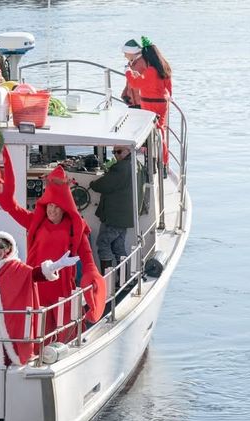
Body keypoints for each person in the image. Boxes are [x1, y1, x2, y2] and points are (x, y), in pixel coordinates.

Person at [0, 140, 107, 339]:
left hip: (63, 290)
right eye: (49, 206)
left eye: (56, 207)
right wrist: (3, 195)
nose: (52, 211)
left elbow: (88, 261)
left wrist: (92, 278)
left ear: (65, 208)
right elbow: (12, 208)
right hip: (36, 285)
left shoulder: (76, 228)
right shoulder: (35, 222)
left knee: (66, 334)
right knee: (35, 331)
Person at [0, 231, 79, 366]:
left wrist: (55, 265)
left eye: (1, 247)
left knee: (10, 355)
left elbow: (33, 274)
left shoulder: (15, 267)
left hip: (11, 325)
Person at [89, 146, 142, 273]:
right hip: (126, 216)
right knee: (118, 247)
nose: (116, 155)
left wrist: (92, 184)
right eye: (114, 152)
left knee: (103, 244)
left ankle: (106, 280)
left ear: (128, 150)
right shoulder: (136, 164)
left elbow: (103, 185)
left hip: (115, 216)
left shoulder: (121, 167)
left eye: (119, 152)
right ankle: (124, 279)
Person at [124, 36, 173, 165]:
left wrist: (128, 72)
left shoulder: (151, 70)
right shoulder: (164, 67)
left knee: (151, 132)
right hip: (162, 103)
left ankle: (156, 160)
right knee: (160, 131)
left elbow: (135, 84)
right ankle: (164, 161)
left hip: (150, 104)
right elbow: (167, 86)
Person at [120, 39, 146, 108]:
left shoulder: (144, 63)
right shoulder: (130, 63)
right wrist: (124, 94)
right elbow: (129, 81)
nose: (124, 56)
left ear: (131, 52)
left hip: (142, 102)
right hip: (132, 102)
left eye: (125, 53)